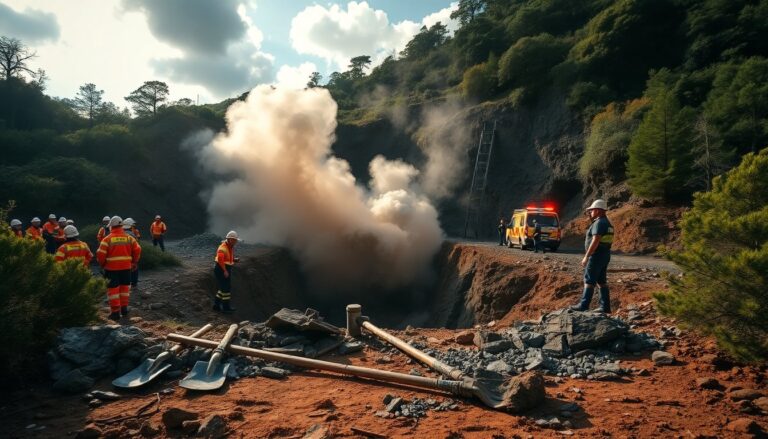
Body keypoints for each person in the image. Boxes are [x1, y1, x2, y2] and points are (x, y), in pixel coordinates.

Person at [571, 199, 614, 313]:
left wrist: (586, 256)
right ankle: (605, 307)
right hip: (604, 255)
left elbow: (595, 240)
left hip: (596, 256)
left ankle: (584, 305)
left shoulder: (599, 223)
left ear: (598, 210)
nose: (590, 212)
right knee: (601, 281)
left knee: (589, 280)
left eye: (592, 210)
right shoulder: (608, 223)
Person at [97, 216, 141, 321]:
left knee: (113, 291)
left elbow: (100, 254)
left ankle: (115, 312)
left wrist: (102, 265)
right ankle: (124, 309)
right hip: (126, 268)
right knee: (125, 289)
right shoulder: (129, 238)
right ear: (121, 226)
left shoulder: (106, 239)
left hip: (111, 269)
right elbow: (138, 249)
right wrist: (134, 262)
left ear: (111, 227)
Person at [213, 231, 240, 314]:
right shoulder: (223, 248)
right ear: (228, 239)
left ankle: (216, 305)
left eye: (235, 240)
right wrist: (225, 271)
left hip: (225, 268)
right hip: (221, 269)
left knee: (223, 288)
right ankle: (226, 308)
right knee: (226, 289)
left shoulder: (229, 246)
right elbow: (220, 260)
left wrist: (234, 260)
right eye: (233, 240)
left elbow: (226, 258)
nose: (235, 242)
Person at [123, 218, 140, 290]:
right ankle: (134, 284)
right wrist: (135, 260)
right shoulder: (132, 235)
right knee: (134, 268)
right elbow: (136, 248)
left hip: (121, 256)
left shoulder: (119, 234)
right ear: (130, 226)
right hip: (130, 256)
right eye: (133, 225)